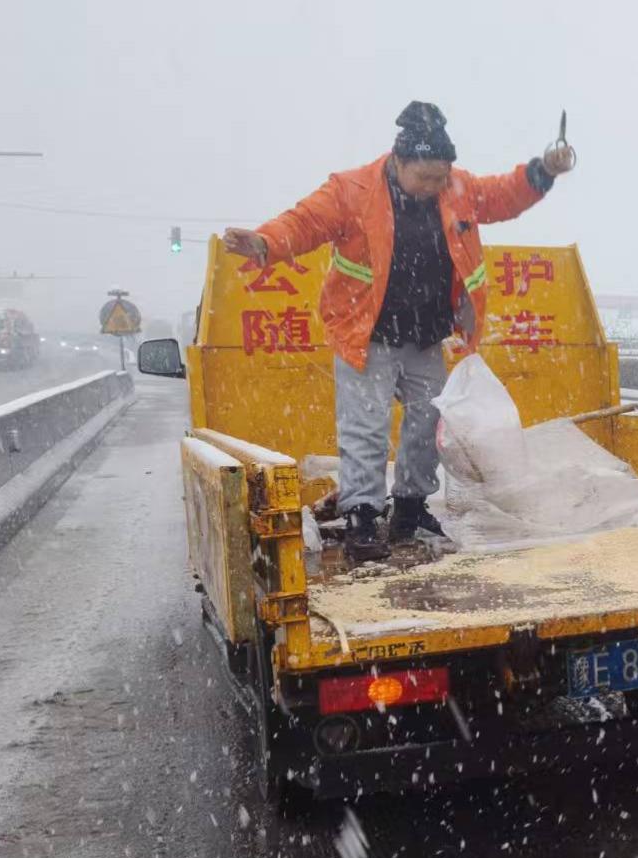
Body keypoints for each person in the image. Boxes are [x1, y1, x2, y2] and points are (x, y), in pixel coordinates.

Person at [223, 101, 574, 562]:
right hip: (366, 333)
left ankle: (409, 508)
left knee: (427, 425)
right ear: (398, 161)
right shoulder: (352, 190)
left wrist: (543, 170)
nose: (433, 187)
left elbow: (504, 195)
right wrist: (267, 243)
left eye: (440, 176)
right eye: (424, 177)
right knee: (365, 428)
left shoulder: (457, 188)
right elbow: (304, 223)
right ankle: (363, 517)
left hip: (426, 334)